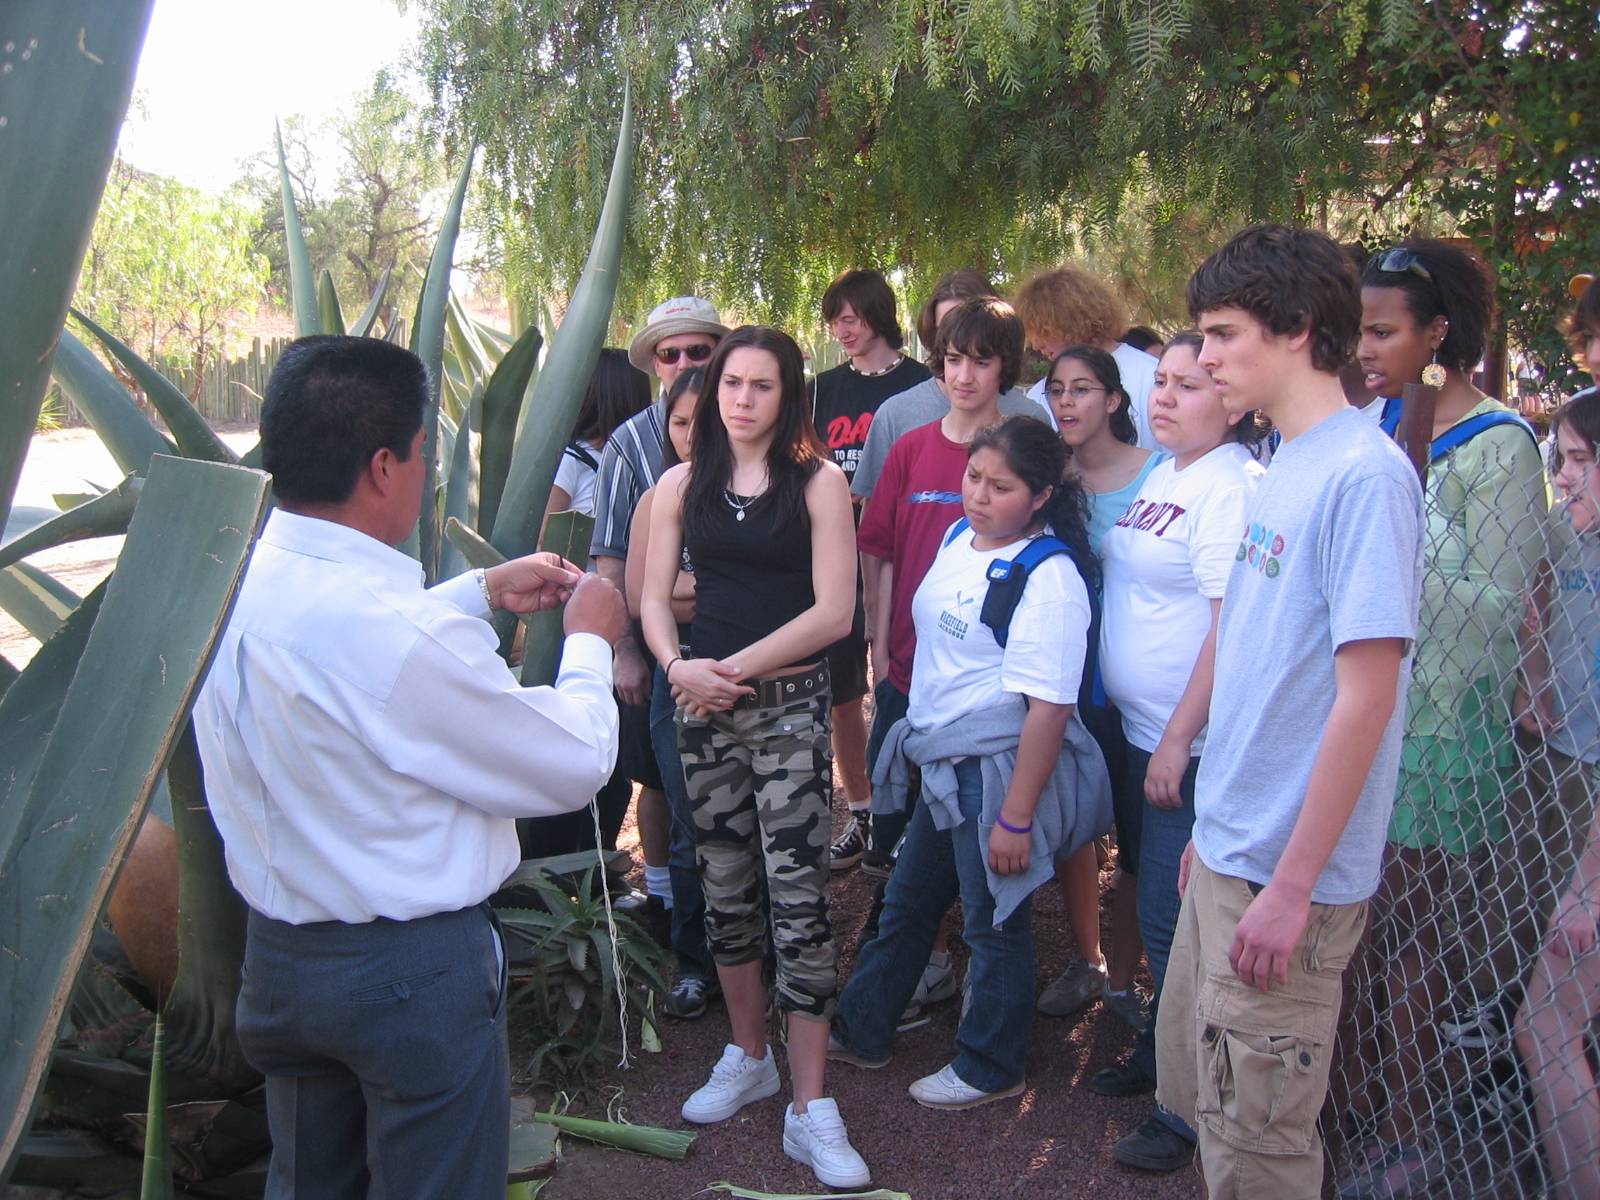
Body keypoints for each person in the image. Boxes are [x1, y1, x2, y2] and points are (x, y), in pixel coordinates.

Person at [193, 335, 628, 1199]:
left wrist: (479, 592)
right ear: (384, 468)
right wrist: (587, 642)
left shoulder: (228, 580)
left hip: (280, 966)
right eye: (426, 453)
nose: (431, 473)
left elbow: (348, 667)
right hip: (406, 982)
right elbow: (573, 762)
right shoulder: (392, 633)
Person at [1153, 224, 1424, 1200]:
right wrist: (1217, 827)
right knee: (1215, 1115)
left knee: (1259, 1148)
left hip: (1285, 884)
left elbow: (1366, 699)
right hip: (1234, 851)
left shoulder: (1363, 476)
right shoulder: (1284, 464)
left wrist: (1292, 886)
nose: (1203, 358)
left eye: (1222, 334)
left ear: (1298, 328)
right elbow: (1267, 670)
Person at [1337, 239, 1546, 1199]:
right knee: (1351, 935)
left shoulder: (1501, 444)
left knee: (1413, 941)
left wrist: (1413, 501)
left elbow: (1498, 604)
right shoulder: (1370, 417)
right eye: (1360, 328)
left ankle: (1405, 1128)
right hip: (1355, 709)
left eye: (1383, 331)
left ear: (1437, 333)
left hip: (1438, 724)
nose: (1364, 346)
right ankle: (1338, 1108)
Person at [639, 325, 869, 1190]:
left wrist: (730, 668)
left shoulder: (818, 482)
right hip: (704, 707)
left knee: (800, 896)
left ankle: (811, 1106)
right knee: (726, 885)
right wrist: (675, 665)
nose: (741, 400)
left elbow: (835, 612)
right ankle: (749, 1056)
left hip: (785, 708)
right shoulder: (677, 486)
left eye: (760, 386)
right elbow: (653, 600)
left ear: (789, 396)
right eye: (731, 383)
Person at [830, 415, 1109, 1111]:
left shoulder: (1050, 580)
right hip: (942, 764)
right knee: (907, 901)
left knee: (993, 919)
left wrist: (1015, 819)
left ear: (1041, 495)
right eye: (973, 477)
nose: (978, 496)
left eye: (1001, 486)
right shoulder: (960, 537)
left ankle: (991, 1064)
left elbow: (1048, 708)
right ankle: (862, 1028)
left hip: (991, 771)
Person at [1090, 332, 1266, 1173]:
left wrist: (1178, 738)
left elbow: (1231, 629)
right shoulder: (1167, 473)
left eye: (1188, 386)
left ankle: (1189, 1111)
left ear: (1230, 400)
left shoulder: (1231, 487)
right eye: (1159, 381)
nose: (1163, 397)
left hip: (1184, 748)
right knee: (1159, 908)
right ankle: (1167, 1064)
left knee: (1173, 920)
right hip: (1141, 734)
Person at [854, 298, 1030, 1012]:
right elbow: (883, 555)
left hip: (989, 686)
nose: (964, 374)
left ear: (1004, 368)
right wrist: (877, 647)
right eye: (953, 359)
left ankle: (979, 970)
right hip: (908, 669)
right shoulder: (911, 446)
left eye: (981, 360)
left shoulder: (1020, 447)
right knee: (900, 832)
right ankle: (917, 962)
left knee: (980, 834)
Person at [592, 297, 729, 930]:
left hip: (738, 646)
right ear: (652, 363)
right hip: (662, 645)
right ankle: (673, 909)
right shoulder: (630, 443)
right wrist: (624, 647)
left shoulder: (749, 428)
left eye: (697, 351)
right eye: (668, 354)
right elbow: (615, 559)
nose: (682, 363)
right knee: (663, 781)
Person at [1036, 346, 1161, 1031]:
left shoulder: (1161, 475)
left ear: (1114, 400)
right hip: (1069, 679)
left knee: (1141, 841)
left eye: (1083, 389)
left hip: (1139, 685)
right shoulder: (1048, 480)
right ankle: (1089, 961)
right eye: (1057, 390)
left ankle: (1129, 982)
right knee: (1076, 825)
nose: (1068, 403)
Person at [810, 268, 932, 873]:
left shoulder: (920, 386)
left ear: (879, 316)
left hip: (900, 556)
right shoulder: (819, 389)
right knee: (841, 694)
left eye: (852, 317)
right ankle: (861, 810)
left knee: (898, 683)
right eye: (835, 319)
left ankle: (909, 810)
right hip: (831, 559)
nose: (843, 329)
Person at [1512, 390, 1600, 1200]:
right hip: (1562, 761)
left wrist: (1586, 887)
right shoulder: (1563, 532)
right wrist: (1532, 683)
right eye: (1559, 459)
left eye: (1581, 460)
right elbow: (1534, 611)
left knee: (1546, 1021)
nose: (1564, 479)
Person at [523, 347, 652, 857]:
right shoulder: (573, 462)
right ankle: (568, 867)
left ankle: (596, 867)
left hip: (615, 614)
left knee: (615, 755)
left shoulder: (635, 455)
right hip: (575, 621)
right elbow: (547, 534)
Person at [623, 367, 719, 1018]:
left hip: (750, 672)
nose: (691, 434)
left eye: (700, 420)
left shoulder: (762, 494)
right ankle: (695, 962)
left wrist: (682, 591)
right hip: (674, 672)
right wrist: (714, 591)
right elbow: (639, 596)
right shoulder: (659, 498)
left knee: (751, 824)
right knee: (689, 825)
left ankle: (757, 950)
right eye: (679, 422)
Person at [1012, 266, 1161, 449]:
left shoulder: (1154, 377)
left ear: (1067, 322)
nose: (1036, 345)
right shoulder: (1040, 395)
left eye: (1042, 331)